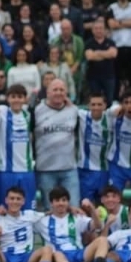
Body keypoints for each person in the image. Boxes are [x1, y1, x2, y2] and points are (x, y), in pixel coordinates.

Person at [34, 187, 102, 262]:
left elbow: (98, 226)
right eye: (57, 200)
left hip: (78, 253)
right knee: (57, 254)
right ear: (51, 203)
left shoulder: (77, 217)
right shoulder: (42, 221)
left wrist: (91, 209)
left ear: (68, 202)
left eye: (64, 200)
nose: (61, 203)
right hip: (58, 256)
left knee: (102, 240)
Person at [34, 79, 80, 209]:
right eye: (55, 90)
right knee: (50, 211)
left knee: (74, 209)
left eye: (62, 90)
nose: (58, 93)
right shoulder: (36, 110)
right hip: (45, 170)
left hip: (69, 169)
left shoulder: (74, 110)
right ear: (47, 93)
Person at [0, 84, 36, 210]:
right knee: (6, 207)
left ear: (25, 99)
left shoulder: (28, 114)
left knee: (27, 207)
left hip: (27, 170)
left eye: (20, 97)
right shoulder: (2, 111)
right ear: (7, 99)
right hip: (7, 171)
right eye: (13, 97)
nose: (16, 100)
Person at [105, 0, 131, 98]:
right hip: (117, 46)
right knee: (116, 75)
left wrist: (119, 22)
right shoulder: (112, 8)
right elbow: (111, 24)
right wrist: (127, 22)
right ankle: (116, 99)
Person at [77, 92, 112, 203]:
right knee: (86, 205)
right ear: (88, 105)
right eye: (93, 104)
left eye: (99, 104)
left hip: (104, 170)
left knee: (104, 205)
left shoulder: (111, 118)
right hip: (85, 170)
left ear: (105, 106)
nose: (96, 107)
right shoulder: (82, 115)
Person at [84, 20, 118, 105]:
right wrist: (106, 54)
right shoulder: (88, 43)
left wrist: (97, 53)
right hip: (93, 77)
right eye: (96, 28)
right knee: (95, 100)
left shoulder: (111, 42)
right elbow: (89, 56)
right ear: (92, 30)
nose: (98, 30)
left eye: (100, 28)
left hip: (109, 76)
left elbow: (113, 54)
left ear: (105, 30)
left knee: (109, 101)